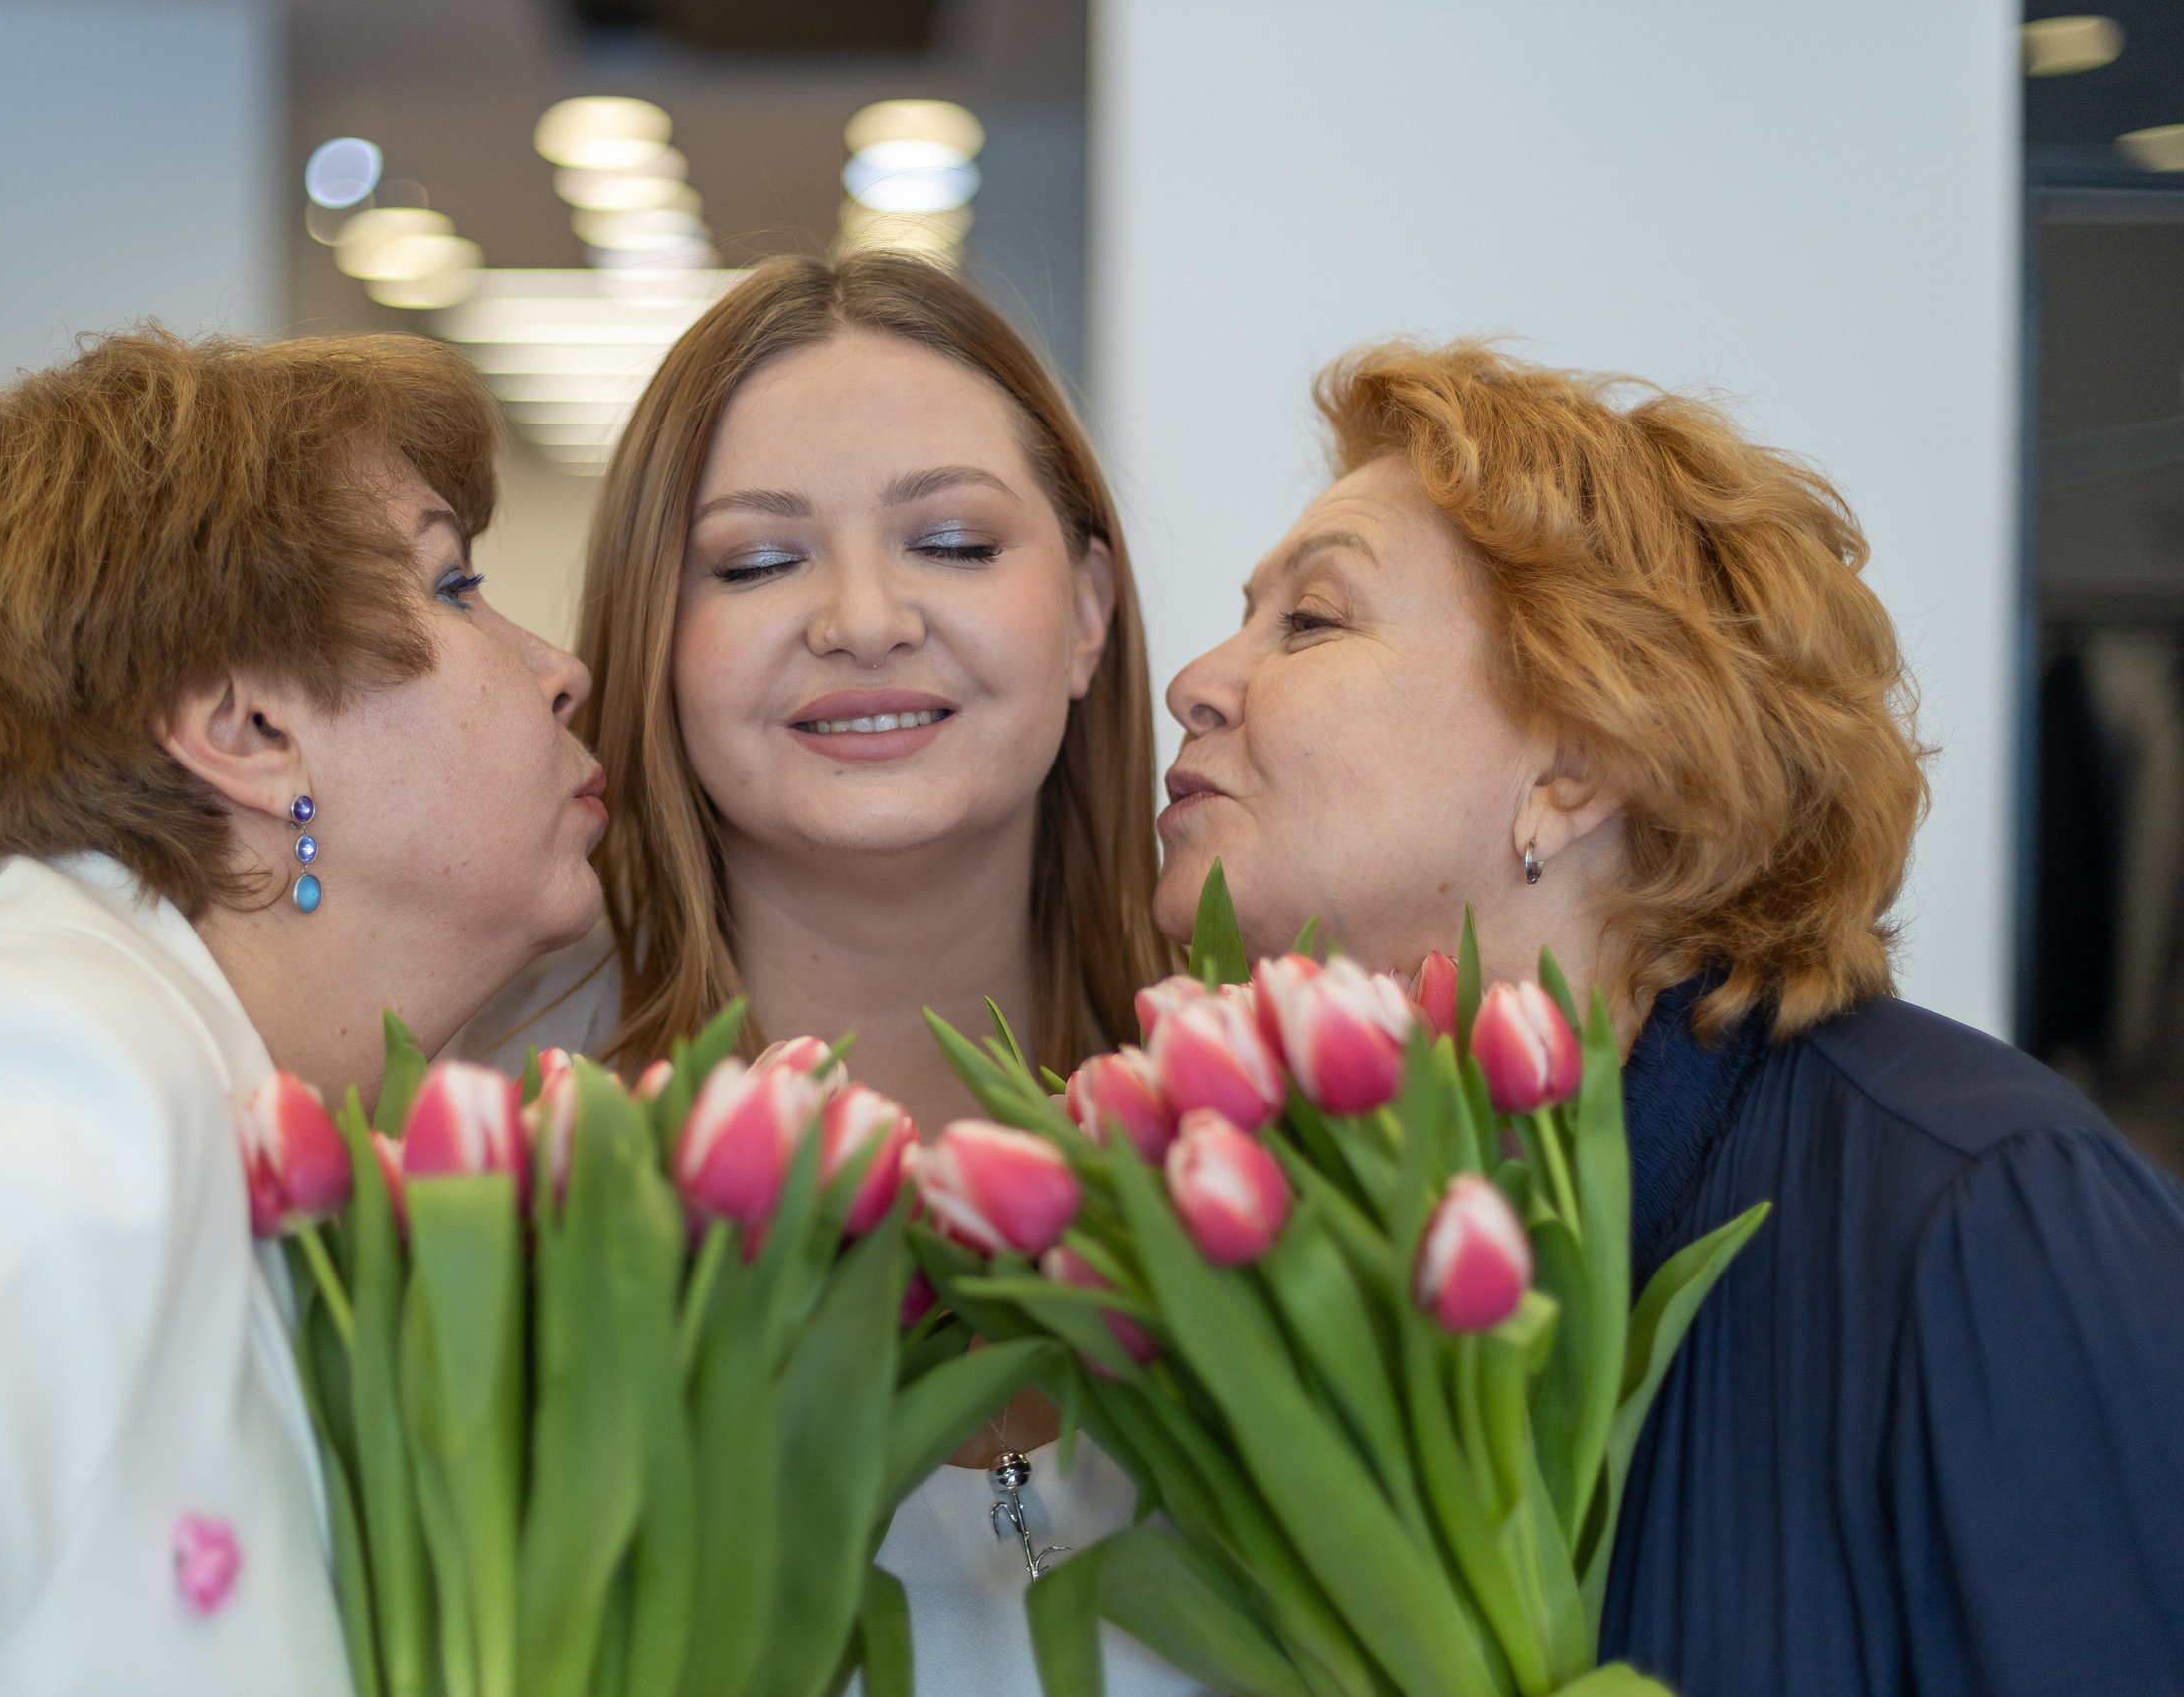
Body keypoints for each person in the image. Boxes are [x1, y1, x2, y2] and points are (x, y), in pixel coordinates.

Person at [1156, 338, 2184, 1691]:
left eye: (1312, 620)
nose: (1196, 680)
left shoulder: (1989, 1215)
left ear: (1579, 761)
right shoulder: (1316, 1244)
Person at [0, 328, 608, 1693]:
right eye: (457, 585)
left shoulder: (202, 1103)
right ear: (250, 732)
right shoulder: (36, 1079)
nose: (558, 665)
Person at [452, 252, 1188, 1694]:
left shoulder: (1300, 1152)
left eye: (957, 544)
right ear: (653, 637)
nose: (862, 618)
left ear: (1090, 611)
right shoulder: (503, 1181)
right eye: (758, 562)